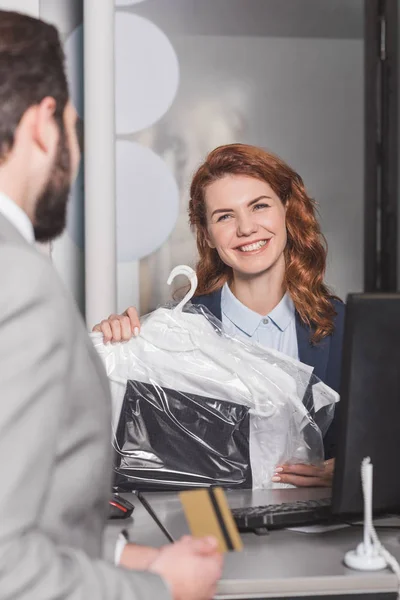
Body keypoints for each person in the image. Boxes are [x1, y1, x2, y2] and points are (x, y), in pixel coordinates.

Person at [0, 10, 222, 600]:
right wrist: (165, 589)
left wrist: (128, 554)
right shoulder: (17, 283)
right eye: (76, 127)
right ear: (46, 125)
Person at [95, 144, 345, 489]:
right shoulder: (175, 336)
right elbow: (147, 463)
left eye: (259, 206)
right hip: (209, 529)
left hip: (323, 536)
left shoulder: (348, 327)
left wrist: (350, 471)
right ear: (208, 235)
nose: (246, 228)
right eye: (224, 216)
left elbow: (384, 439)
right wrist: (112, 355)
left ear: (286, 211)